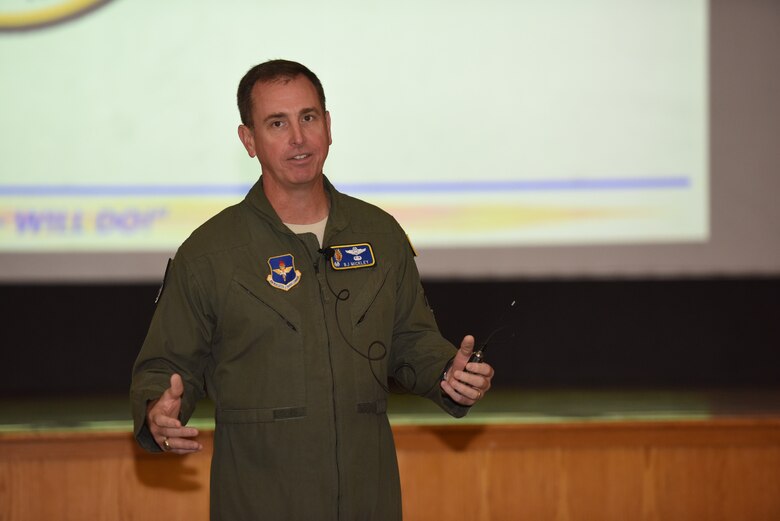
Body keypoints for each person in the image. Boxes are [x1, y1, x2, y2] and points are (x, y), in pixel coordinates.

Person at [130, 59, 495, 520]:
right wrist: (157, 412)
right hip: (260, 501)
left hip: (368, 499)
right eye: (277, 123)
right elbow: (165, 365)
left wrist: (449, 373)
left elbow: (409, 340)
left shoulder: (379, 234)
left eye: (308, 117)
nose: (298, 138)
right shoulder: (210, 253)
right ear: (249, 140)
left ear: (328, 125)